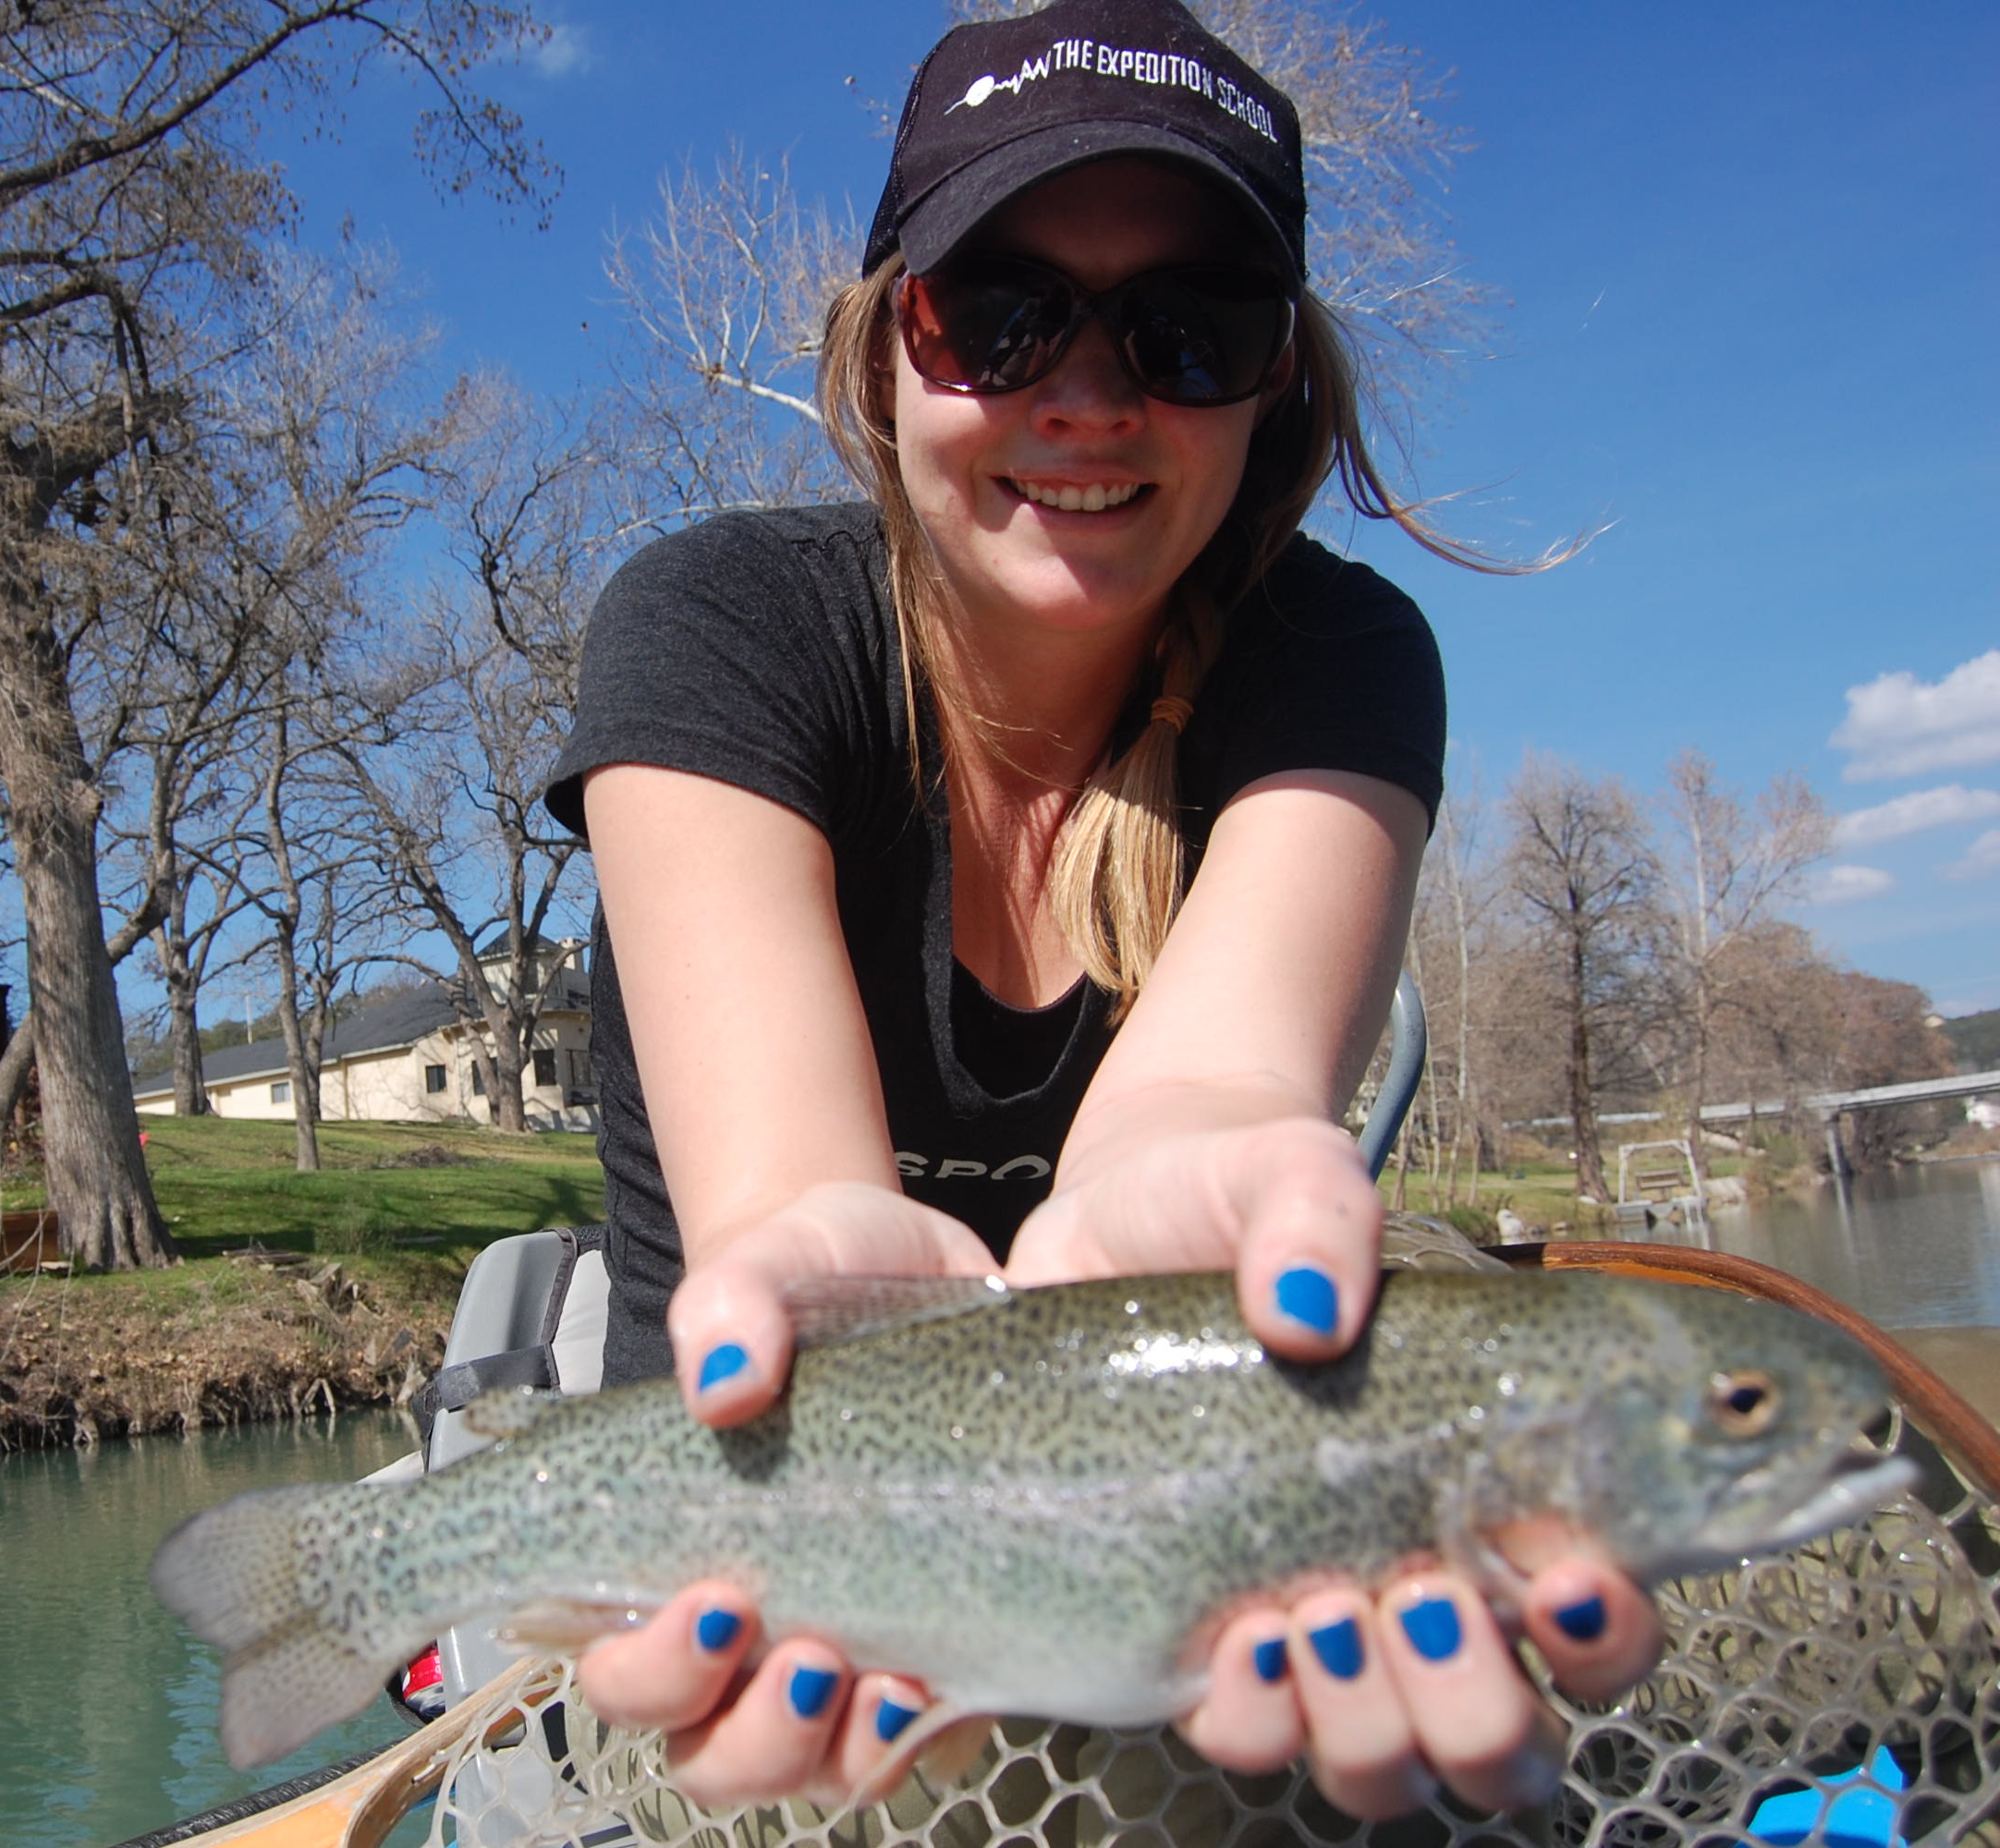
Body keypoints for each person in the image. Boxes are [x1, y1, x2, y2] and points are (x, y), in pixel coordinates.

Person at [540, 0, 1659, 1823]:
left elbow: (1208, 1096)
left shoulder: (1339, 661)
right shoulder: (715, 627)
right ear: (884, 346)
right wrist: (818, 1277)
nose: (1084, 395)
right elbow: (788, 1213)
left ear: (1278, 378)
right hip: (751, 1550)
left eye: (1187, 327)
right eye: (999, 310)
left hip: (1178, 1546)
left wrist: (1205, 1161)